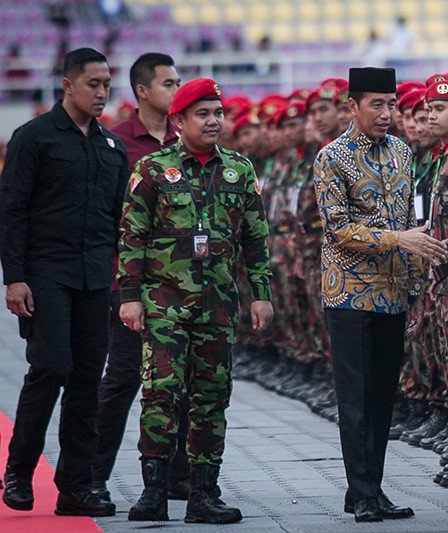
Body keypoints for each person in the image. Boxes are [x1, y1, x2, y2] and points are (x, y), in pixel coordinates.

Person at [118, 78, 274, 524]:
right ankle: (154, 491)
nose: (213, 121)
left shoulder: (239, 170)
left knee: (211, 397)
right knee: (162, 392)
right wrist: (130, 298)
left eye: (218, 113)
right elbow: (132, 237)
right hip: (165, 303)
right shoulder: (152, 168)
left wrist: (261, 295)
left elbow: (255, 240)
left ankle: (204, 493)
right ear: (179, 120)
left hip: (219, 304)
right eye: (202, 114)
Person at [312, 66, 447, 522]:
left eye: (391, 104)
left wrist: (411, 289)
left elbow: (408, 221)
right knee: (355, 398)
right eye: (377, 104)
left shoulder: (402, 154)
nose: (387, 113)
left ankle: (369, 487)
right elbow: (340, 229)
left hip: (392, 292)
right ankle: (363, 492)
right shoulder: (332, 157)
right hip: (349, 293)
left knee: (382, 396)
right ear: (352, 106)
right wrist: (400, 241)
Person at [0, 47, 128, 517]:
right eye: (92, 84)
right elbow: (11, 212)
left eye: (106, 84)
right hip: (46, 273)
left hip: (96, 277)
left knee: (86, 380)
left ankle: (76, 486)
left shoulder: (110, 147)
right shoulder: (34, 138)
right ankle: (18, 469)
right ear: (68, 85)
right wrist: (15, 279)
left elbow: (121, 220)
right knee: (51, 366)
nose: (100, 93)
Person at [90, 52, 187, 504]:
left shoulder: (185, 144)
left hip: (181, 283)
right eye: (168, 83)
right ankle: (93, 475)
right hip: (129, 281)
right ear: (142, 91)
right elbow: (110, 218)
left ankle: (180, 476)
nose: (176, 89)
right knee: (124, 378)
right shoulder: (114, 144)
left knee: (182, 377)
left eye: (178, 81)